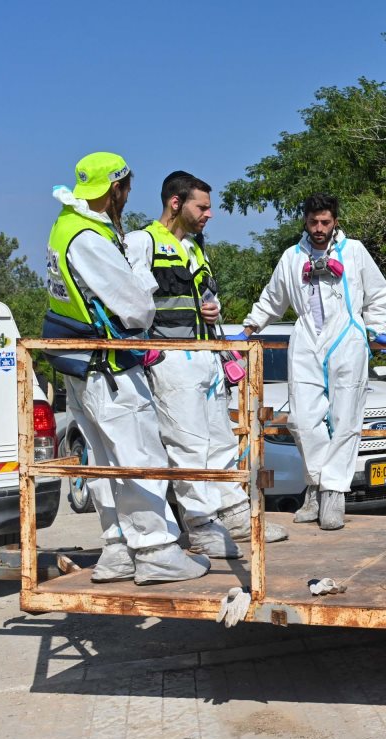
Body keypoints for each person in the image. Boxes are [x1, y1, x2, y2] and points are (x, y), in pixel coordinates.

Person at [42, 152, 209, 583]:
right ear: (114, 188)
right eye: (126, 188)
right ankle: (154, 551)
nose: (128, 196)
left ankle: (118, 548)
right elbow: (136, 309)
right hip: (110, 368)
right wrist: (144, 283)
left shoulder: (64, 228)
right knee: (138, 456)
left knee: (102, 462)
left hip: (80, 366)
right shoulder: (90, 238)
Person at [124, 171, 286, 557]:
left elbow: (204, 298)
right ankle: (200, 526)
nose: (209, 215)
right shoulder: (141, 243)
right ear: (176, 203)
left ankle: (233, 513)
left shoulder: (195, 250)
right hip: (171, 359)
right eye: (203, 206)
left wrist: (213, 310)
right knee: (188, 445)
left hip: (207, 358)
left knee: (221, 442)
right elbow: (130, 303)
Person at [242, 193, 386, 530]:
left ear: (335, 220)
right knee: (304, 420)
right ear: (305, 222)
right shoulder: (292, 257)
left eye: (325, 222)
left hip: (347, 336)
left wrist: (376, 330)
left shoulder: (354, 252)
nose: (319, 228)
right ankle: (317, 485)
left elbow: (378, 293)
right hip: (307, 338)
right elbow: (273, 298)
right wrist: (250, 327)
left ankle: (333, 494)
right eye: (313, 222)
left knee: (345, 418)